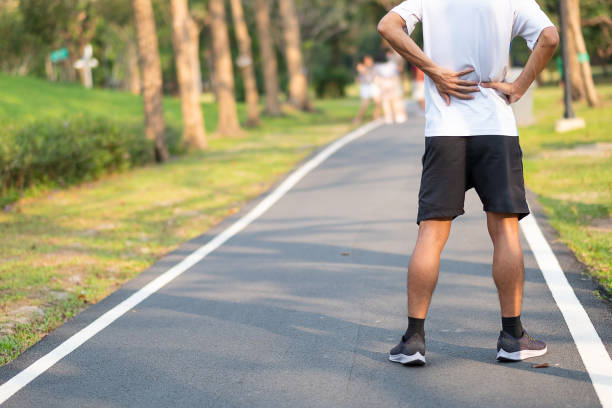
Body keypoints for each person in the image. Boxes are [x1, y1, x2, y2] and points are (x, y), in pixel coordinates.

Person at [377, 0, 559, 366]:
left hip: (445, 129)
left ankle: (414, 340)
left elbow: (388, 26)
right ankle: (512, 337)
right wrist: (520, 85)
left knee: (431, 233)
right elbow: (550, 37)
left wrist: (434, 71)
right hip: (496, 127)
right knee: (506, 232)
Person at [373, 51, 407, 124]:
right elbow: (396, 73)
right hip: (391, 82)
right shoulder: (392, 64)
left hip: (383, 83)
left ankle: (388, 116)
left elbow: (375, 76)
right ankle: (398, 115)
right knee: (395, 99)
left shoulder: (377, 66)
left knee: (386, 101)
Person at [353, 56, 381, 124]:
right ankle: (358, 118)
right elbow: (358, 78)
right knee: (365, 104)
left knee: (377, 102)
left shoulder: (374, 68)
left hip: (373, 85)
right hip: (365, 86)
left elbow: (376, 76)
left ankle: (376, 116)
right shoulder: (361, 67)